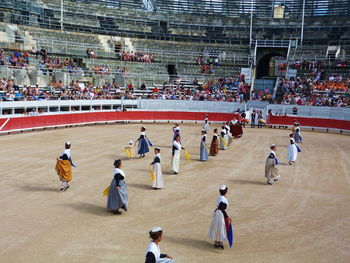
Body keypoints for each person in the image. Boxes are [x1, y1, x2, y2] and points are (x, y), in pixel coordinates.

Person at [208, 185, 232, 249]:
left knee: (216, 227)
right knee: (221, 228)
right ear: (226, 192)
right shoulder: (223, 199)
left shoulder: (219, 197)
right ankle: (220, 243)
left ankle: (216, 242)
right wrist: (227, 217)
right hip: (220, 215)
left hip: (217, 213)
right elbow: (222, 209)